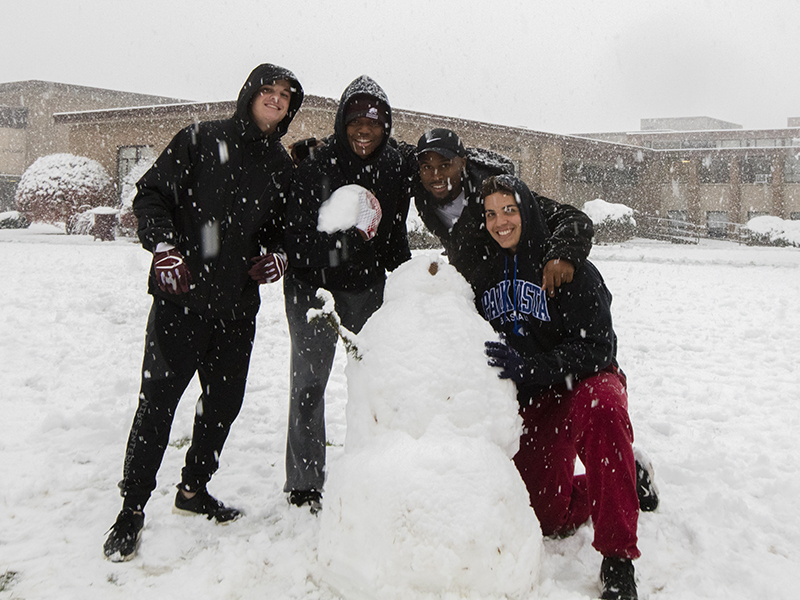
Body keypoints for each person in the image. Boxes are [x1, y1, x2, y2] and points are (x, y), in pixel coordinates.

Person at [102, 63, 304, 562]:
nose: (276, 101)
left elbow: (280, 228)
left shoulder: (280, 165)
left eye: (285, 96)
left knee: (223, 404)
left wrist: (277, 254)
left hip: (236, 307)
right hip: (182, 300)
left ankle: (194, 488)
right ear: (249, 95)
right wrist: (163, 246)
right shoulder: (198, 139)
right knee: (158, 405)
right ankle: (132, 507)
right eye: (268, 91)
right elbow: (150, 194)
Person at [472, 174, 659, 600]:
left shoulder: (568, 267)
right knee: (546, 513)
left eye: (510, 210)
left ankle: (617, 559)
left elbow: (598, 347)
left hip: (586, 379)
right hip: (538, 392)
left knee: (603, 408)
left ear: (527, 210)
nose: (501, 222)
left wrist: (537, 366)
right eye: (491, 214)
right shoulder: (487, 272)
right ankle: (627, 476)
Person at [282, 75, 411, 512]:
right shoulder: (314, 164)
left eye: (374, 122)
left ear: (386, 126)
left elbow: (392, 234)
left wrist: (413, 279)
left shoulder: (397, 166)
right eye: (355, 120)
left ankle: (371, 469)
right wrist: (342, 247)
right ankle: (303, 483)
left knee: (371, 383)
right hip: (312, 290)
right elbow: (294, 237)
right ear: (342, 122)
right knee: (309, 384)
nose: (363, 129)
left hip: (367, 289)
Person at [413, 128, 594, 290]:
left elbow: (573, 218)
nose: (436, 175)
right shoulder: (423, 197)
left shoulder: (497, 193)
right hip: (476, 294)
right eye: (427, 167)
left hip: (520, 286)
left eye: (445, 165)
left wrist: (563, 255)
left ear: (463, 163)